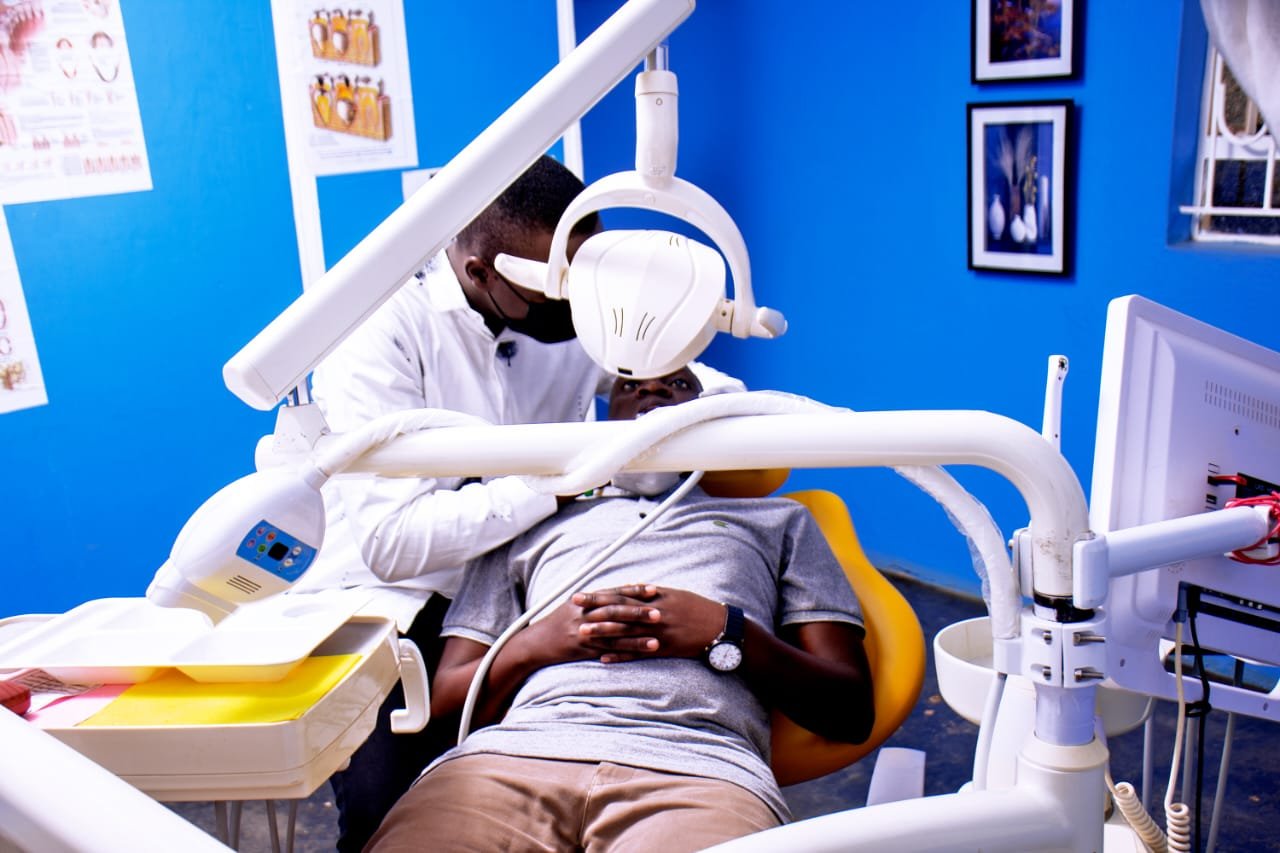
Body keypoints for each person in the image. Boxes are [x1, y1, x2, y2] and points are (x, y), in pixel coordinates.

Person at [296, 155, 741, 851]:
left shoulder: (563, 308)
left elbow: (700, 383)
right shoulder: (378, 335)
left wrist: (684, 379)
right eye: (551, 292)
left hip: (522, 578)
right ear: (480, 272)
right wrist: (563, 477)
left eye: (581, 281)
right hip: (397, 601)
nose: (574, 309)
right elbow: (391, 542)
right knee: (392, 806)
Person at [364, 367, 874, 852]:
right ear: (606, 416)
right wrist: (539, 644)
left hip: (698, 769)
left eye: (677, 384)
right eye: (632, 385)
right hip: (514, 757)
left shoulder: (778, 522)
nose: (653, 394)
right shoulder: (528, 519)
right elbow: (447, 706)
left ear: (706, 413)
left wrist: (725, 633)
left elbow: (849, 711)